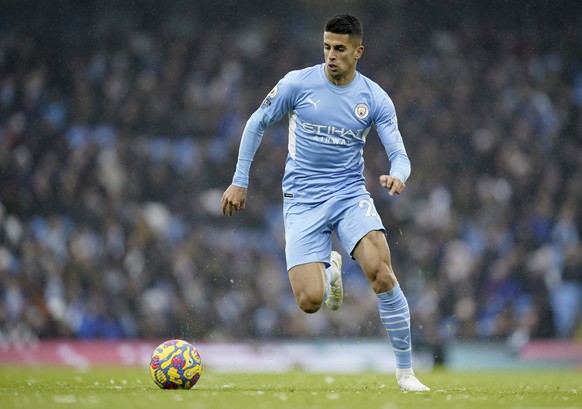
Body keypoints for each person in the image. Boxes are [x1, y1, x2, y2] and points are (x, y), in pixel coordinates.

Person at [221, 14, 430, 392]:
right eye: (327, 47)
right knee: (309, 301)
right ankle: (331, 274)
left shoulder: (374, 98)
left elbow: (399, 153)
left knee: (381, 272)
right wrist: (240, 180)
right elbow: (256, 122)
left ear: (358, 52)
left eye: (340, 49)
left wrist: (399, 175)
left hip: (350, 195)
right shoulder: (297, 83)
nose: (331, 55)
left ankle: (405, 372)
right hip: (302, 200)